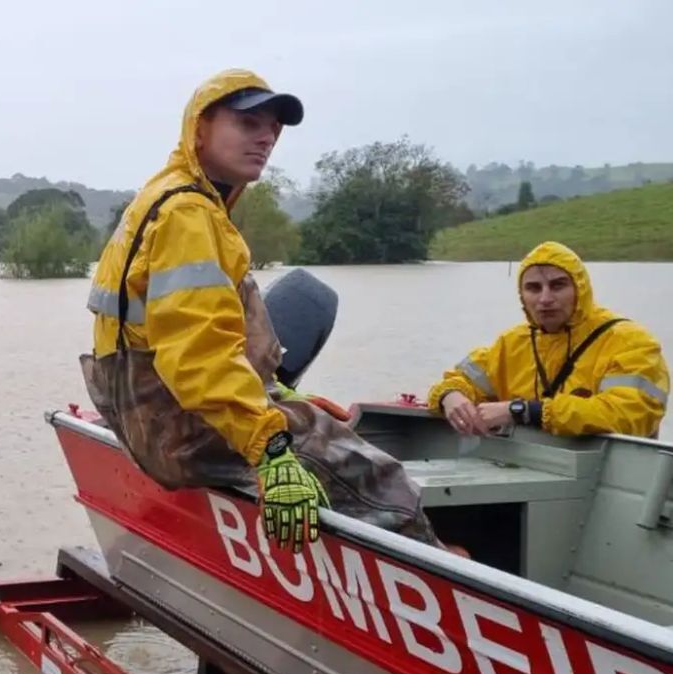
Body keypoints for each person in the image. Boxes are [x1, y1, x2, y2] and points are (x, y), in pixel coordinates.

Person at [80, 68, 446, 555]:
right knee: (383, 482)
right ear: (200, 128)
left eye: (273, 126)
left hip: (156, 414)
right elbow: (198, 356)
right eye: (248, 123)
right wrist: (270, 447)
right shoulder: (188, 215)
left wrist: (282, 395)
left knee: (318, 424)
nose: (266, 137)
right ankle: (449, 581)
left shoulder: (171, 197)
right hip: (186, 426)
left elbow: (193, 332)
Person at [428, 241, 669, 438]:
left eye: (558, 285)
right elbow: (457, 381)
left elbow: (628, 415)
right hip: (536, 475)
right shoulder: (511, 343)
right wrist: (451, 397)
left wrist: (523, 411)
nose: (545, 298)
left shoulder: (631, 342)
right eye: (534, 288)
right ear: (522, 295)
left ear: (580, 289)